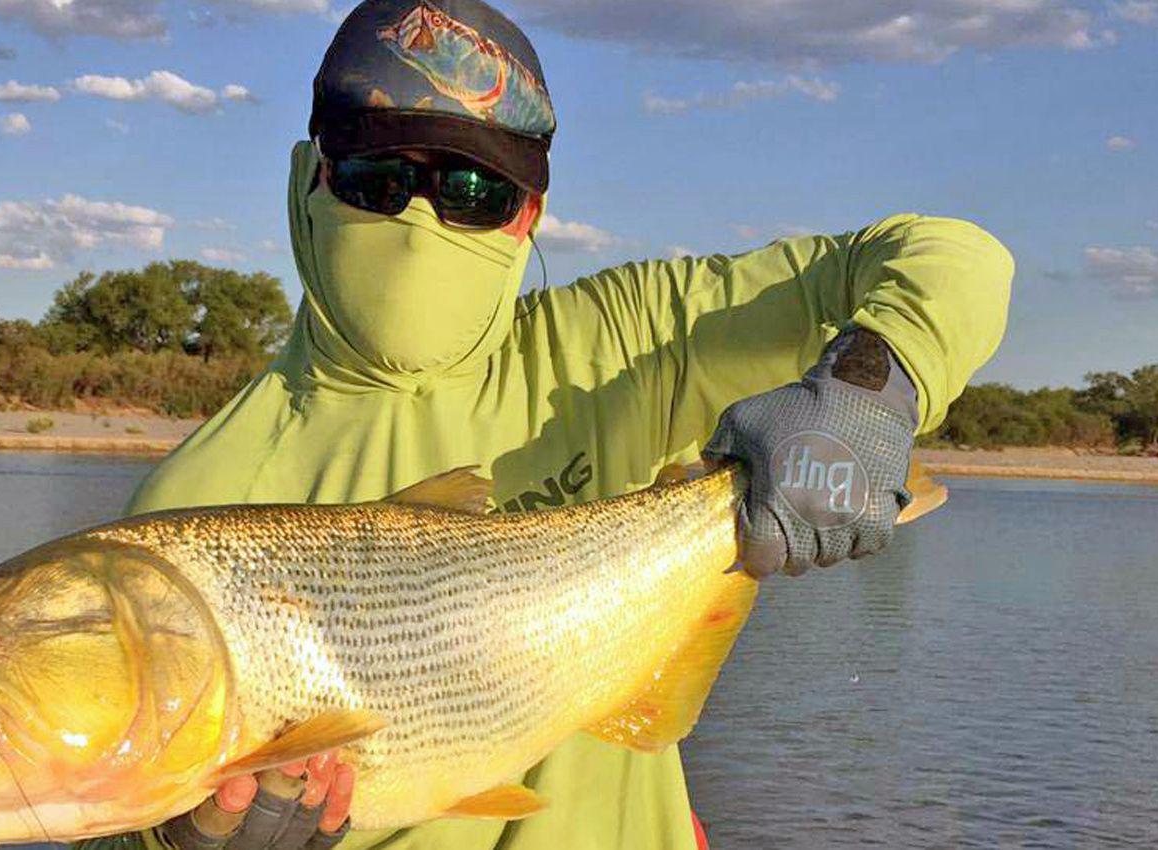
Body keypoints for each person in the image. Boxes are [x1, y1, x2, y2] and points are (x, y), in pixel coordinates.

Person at [87, 0, 1014, 847]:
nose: (421, 215)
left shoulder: (623, 343)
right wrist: (170, 841)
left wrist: (869, 387)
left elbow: (954, 258)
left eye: (473, 193)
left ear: (527, 215)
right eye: (378, 176)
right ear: (310, 180)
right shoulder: (185, 516)